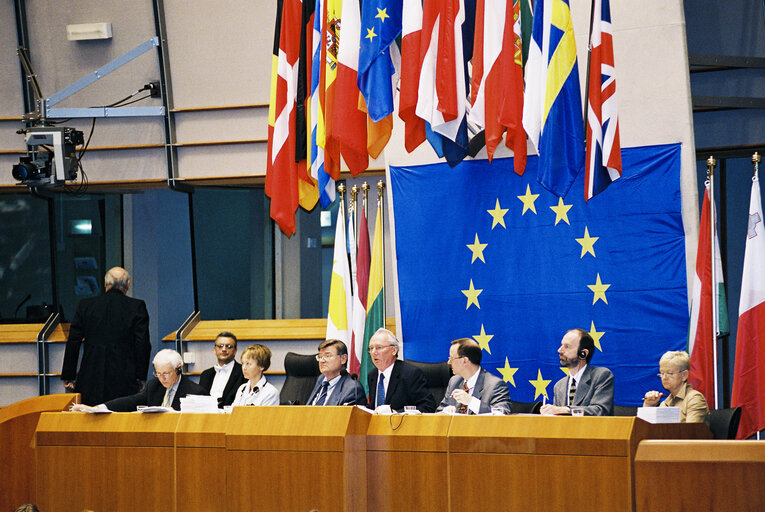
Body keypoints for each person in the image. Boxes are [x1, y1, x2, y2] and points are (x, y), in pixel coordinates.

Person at [61, 266, 151, 405]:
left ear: (105, 283)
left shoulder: (86, 306)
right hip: (124, 377)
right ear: (127, 284)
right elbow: (142, 343)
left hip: (91, 375)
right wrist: (140, 377)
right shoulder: (136, 306)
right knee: (122, 419)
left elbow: (73, 341)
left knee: (90, 419)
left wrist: (69, 375)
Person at [71, 349, 207, 412]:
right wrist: (97, 408)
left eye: (166, 373)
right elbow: (130, 401)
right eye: (158, 373)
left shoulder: (195, 392)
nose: (162, 378)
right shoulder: (154, 386)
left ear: (179, 369)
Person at [540, 328, 614, 416]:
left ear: (583, 353)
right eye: (561, 345)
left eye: (566, 346)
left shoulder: (601, 376)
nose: (559, 350)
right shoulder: (559, 386)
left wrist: (566, 409)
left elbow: (600, 411)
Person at [366, 328, 436, 413]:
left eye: (379, 347)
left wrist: (395, 413)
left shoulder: (410, 374)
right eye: (371, 348)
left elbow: (427, 406)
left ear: (394, 350)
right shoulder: (372, 375)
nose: (373, 352)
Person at [437, 338, 512, 414]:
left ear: (465, 361)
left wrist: (471, 401)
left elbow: (501, 414)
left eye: (452, 358)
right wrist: (445, 411)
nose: (449, 362)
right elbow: (438, 411)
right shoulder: (454, 381)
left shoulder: (495, 385)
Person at [642, 350, 709, 423]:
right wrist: (648, 406)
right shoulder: (665, 403)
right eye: (662, 373)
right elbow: (647, 431)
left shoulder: (694, 399)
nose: (664, 377)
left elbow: (691, 432)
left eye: (669, 373)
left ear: (684, 375)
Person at [306, 339, 367, 406]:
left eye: (327, 356)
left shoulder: (353, 388)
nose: (322, 361)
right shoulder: (321, 379)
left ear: (343, 359)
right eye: (320, 357)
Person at [198, 331, 246, 407]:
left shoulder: (244, 372)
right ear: (214, 349)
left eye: (229, 346)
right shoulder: (206, 374)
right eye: (220, 346)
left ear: (235, 351)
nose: (224, 349)